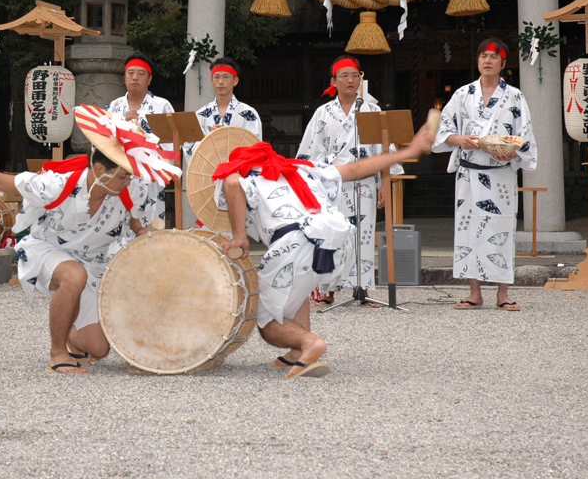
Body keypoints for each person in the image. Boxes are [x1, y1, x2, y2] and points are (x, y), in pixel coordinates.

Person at [0, 106, 179, 374]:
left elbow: (138, 227)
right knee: (74, 276)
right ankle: (57, 352)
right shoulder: (57, 184)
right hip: (46, 249)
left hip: (94, 262)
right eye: (123, 176)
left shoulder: (132, 189)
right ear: (100, 169)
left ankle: (74, 339)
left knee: (98, 349)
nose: (128, 181)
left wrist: (163, 247)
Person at [215, 126, 434, 379]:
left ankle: (310, 343)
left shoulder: (244, 176)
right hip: (336, 241)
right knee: (300, 285)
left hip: (295, 241)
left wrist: (239, 237)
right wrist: (409, 151)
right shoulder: (301, 168)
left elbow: (232, 183)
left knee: (267, 322)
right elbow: (356, 169)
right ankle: (298, 351)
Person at [431, 38, 537, 311]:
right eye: (483, 56)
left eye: (494, 56)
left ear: (503, 63)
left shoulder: (514, 96)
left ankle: (503, 293)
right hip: (469, 174)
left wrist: (513, 152)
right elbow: (442, 130)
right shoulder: (462, 94)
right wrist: (459, 139)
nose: (488, 60)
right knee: (468, 231)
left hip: (500, 174)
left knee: (500, 229)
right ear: (477, 61)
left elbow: (524, 135)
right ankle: (474, 292)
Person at [296, 55, 404, 307]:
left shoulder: (373, 111)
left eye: (355, 75)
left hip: (364, 183)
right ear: (333, 81)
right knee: (331, 235)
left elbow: (384, 152)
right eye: (344, 75)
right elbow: (309, 154)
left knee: (363, 236)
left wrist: (385, 184)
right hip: (331, 185)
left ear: (360, 79)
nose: (350, 80)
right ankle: (327, 290)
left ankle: (363, 289)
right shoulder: (323, 113)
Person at [107, 52, 175, 226]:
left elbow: (171, 142)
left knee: (150, 223)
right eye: (130, 73)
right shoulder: (114, 106)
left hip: (149, 174)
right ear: (124, 77)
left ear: (149, 79)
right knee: (118, 222)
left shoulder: (162, 106)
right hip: (120, 173)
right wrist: (124, 125)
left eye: (141, 73)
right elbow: (103, 140)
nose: (135, 77)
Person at [182, 57, 262, 159]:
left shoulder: (248, 114)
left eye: (226, 77)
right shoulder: (201, 114)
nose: (220, 81)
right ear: (211, 81)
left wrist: (230, 138)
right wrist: (210, 139)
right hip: (208, 172)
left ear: (235, 81)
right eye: (217, 77)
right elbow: (189, 148)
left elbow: (256, 148)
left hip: (239, 172)